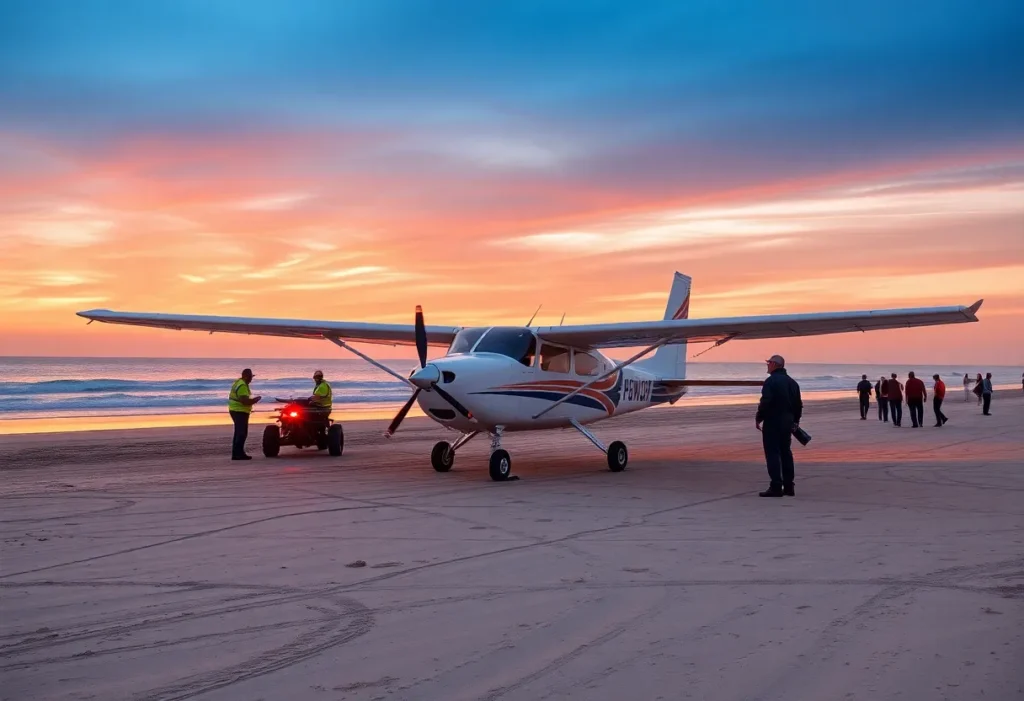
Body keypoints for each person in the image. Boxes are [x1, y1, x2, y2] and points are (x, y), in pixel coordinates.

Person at [755, 354, 803, 498]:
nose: (767, 365)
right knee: (786, 452)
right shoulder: (793, 383)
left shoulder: (771, 382)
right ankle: (789, 486)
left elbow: (766, 401)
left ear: (775, 364)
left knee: (773, 453)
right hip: (787, 422)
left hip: (773, 421)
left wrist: (759, 417)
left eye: (769, 363)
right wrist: (795, 421)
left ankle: (776, 486)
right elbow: (798, 405)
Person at [228, 368, 262, 460]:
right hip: (239, 411)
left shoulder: (239, 382)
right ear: (246, 376)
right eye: (250, 377)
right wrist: (255, 400)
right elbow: (244, 401)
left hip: (235, 410)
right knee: (241, 433)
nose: (251, 379)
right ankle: (238, 454)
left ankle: (237, 453)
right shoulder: (242, 385)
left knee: (238, 432)